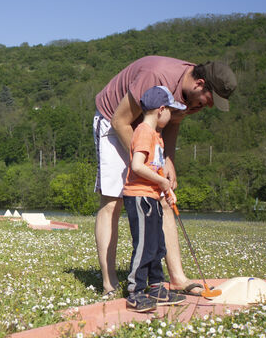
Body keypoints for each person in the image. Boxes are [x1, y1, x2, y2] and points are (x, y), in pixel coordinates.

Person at [93, 56, 236, 297]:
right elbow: (121, 121)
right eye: (209, 101)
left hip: (149, 130)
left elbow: (174, 122)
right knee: (113, 202)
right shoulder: (157, 76)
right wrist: (146, 163)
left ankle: (178, 278)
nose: (207, 107)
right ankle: (110, 283)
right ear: (200, 83)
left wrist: (168, 161)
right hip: (115, 122)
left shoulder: (191, 97)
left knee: (164, 196)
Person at [122, 86, 187, 312]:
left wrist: (165, 189)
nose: (171, 116)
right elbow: (137, 166)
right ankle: (135, 291)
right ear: (161, 110)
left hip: (152, 197)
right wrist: (161, 182)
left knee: (158, 244)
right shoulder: (143, 132)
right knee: (145, 246)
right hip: (139, 197)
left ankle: (157, 286)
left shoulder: (156, 136)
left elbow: (155, 169)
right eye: (170, 111)